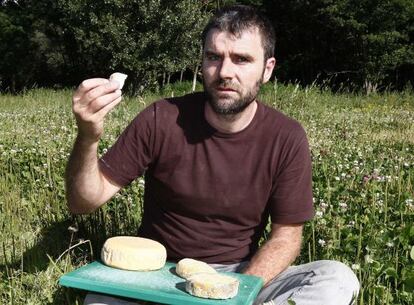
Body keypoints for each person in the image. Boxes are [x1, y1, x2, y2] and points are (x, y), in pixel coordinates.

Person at [66, 5, 360, 305]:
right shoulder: (161, 118)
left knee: (336, 278)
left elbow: (286, 237)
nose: (224, 73)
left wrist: (238, 291)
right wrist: (88, 137)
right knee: (100, 301)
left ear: (267, 69)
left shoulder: (286, 137)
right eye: (213, 57)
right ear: (202, 62)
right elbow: (83, 201)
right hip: (157, 275)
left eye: (242, 59)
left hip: (239, 274)